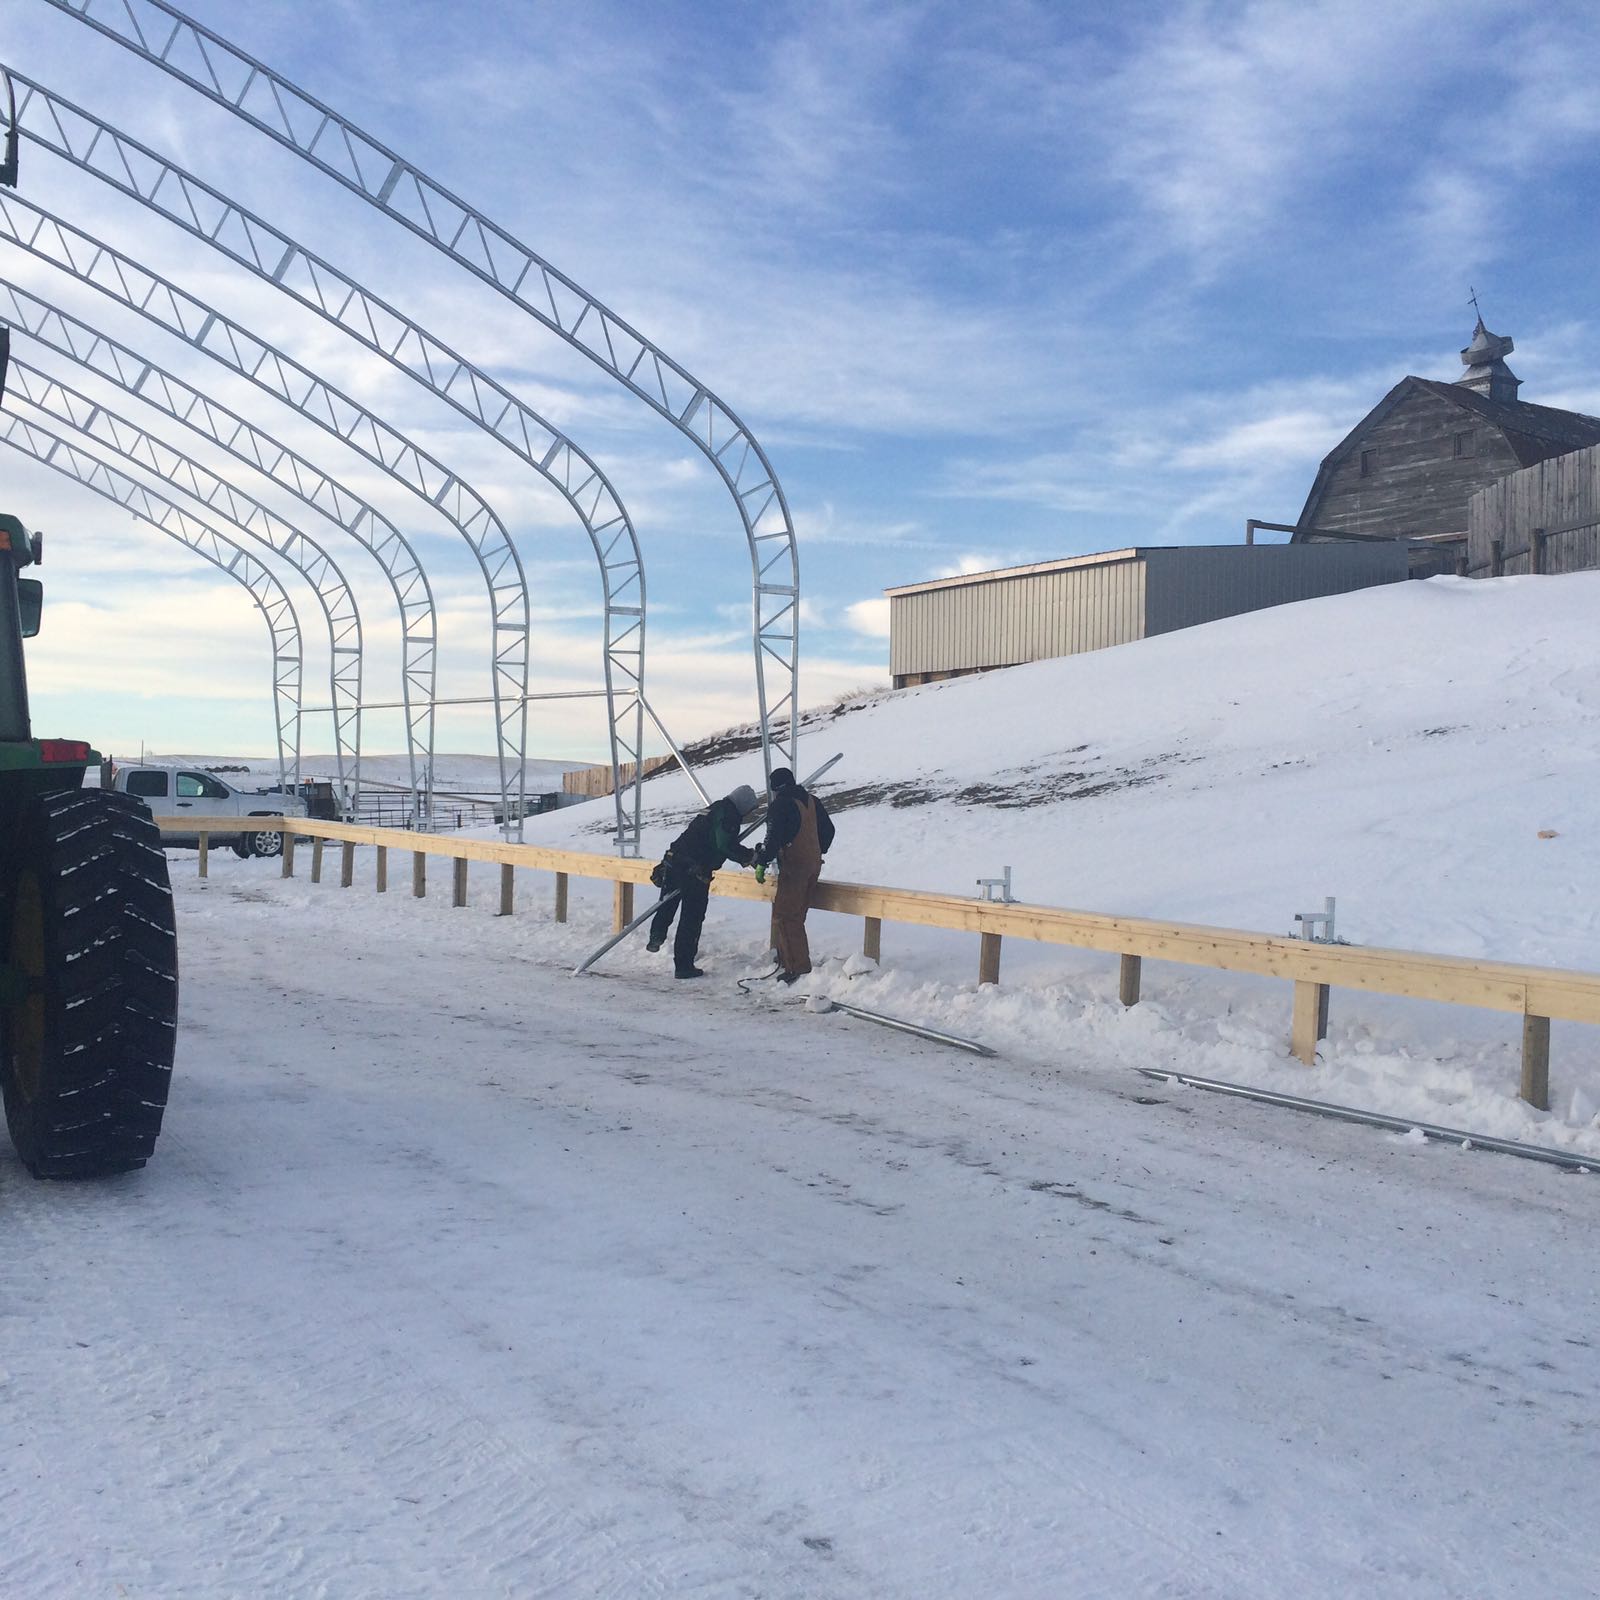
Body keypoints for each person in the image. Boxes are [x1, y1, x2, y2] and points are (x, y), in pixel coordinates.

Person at [646, 786, 758, 979]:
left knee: (666, 904)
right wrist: (748, 857)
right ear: (743, 805)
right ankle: (684, 966)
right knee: (691, 917)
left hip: (674, 860)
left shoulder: (716, 808)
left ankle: (656, 935)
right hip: (694, 870)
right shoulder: (729, 815)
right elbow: (724, 845)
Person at [752, 767, 835, 983]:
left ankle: (796, 968)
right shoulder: (812, 800)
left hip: (794, 867)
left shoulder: (780, 805)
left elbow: (772, 839)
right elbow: (829, 830)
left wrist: (761, 862)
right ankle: (791, 959)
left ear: (775, 788)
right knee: (797, 916)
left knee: (785, 916)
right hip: (813, 865)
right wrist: (817, 850)